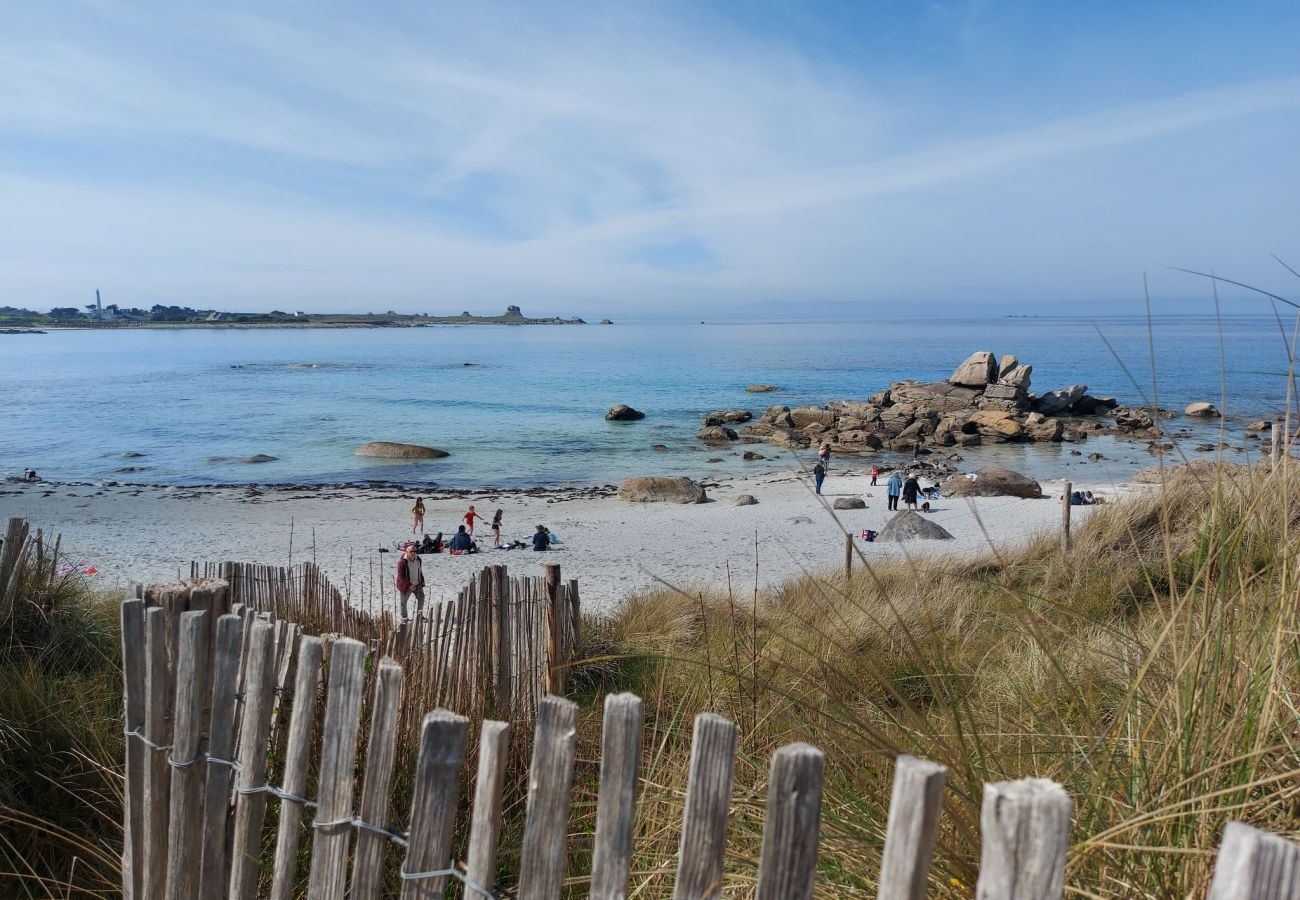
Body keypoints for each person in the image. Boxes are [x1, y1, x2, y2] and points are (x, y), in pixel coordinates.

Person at [395, 543, 425, 619]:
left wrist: (422, 580)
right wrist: (409, 585)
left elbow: (420, 571)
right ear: (407, 552)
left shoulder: (418, 559)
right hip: (405, 585)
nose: (413, 553)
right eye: (411, 551)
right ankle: (404, 617)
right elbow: (401, 576)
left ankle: (419, 616)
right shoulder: (402, 562)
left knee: (421, 598)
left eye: (414, 551)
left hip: (417, 583)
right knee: (403, 603)